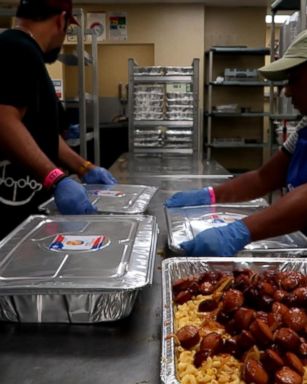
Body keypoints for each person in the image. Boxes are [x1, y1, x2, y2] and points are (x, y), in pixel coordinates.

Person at [165, 29, 307, 256]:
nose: (286, 91)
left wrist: (240, 231)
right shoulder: (304, 128)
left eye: (294, 79)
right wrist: (210, 196)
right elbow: (263, 178)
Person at [0, 0, 117, 239]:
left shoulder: (23, 51)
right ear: (61, 20)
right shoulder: (18, 49)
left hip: (30, 207)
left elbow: (39, 133)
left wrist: (84, 167)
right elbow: (3, 120)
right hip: (11, 206)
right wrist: (55, 179)